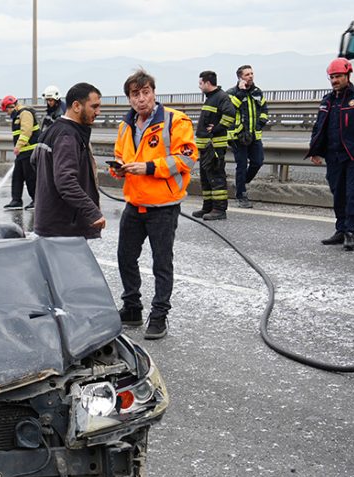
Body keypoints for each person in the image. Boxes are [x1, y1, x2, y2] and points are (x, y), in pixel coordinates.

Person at [111, 69, 197, 340]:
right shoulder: (125, 126)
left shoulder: (175, 121)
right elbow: (120, 155)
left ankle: (159, 315)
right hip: (134, 204)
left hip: (163, 205)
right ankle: (132, 307)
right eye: (135, 94)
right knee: (125, 258)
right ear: (129, 98)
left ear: (154, 93)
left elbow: (187, 158)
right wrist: (119, 170)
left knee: (161, 263)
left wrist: (148, 167)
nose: (141, 99)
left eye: (145, 92)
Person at [308, 57, 354, 252]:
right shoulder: (327, 100)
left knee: (352, 195)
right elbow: (318, 128)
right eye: (332, 77)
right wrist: (315, 150)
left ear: (348, 75)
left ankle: (350, 232)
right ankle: (340, 230)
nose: (334, 80)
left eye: (338, 76)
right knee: (338, 194)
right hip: (334, 157)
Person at [32, 82, 106, 239]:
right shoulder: (68, 136)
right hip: (64, 229)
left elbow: (34, 161)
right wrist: (92, 212)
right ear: (77, 106)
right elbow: (65, 181)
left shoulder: (53, 129)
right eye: (94, 106)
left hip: (52, 224)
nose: (98, 112)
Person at [192, 70, 236, 220]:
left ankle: (219, 209)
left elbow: (230, 115)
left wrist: (216, 129)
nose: (199, 86)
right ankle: (208, 207)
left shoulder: (221, 97)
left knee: (216, 177)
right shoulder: (211, 98)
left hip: (215, 147)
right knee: (206, 178)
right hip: (206, 147)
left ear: (207, 83)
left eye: (200, 83)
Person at [226, 65, 269, 208]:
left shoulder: (257, 92)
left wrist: (261, 122)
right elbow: (230, 110)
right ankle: (241, 195)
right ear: (240, 77)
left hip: (254, 135)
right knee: (242, 165)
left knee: (258, 162)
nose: (250, 76)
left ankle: (241, 183)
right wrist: (242, 92)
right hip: (238, 136)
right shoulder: (232, 93)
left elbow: (264, 109)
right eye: (247, 74)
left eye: (251, 73)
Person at [0, 95, 38, 210]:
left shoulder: (25, 113)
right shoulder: (17, 115)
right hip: (22, 151)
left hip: (30, 150)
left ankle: (36, 200)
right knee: (17, 176)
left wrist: (18, 146)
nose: (7, 113)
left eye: (7, 110)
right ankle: (16, 200)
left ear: (12, 106)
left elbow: (26, 131)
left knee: (30, 177)